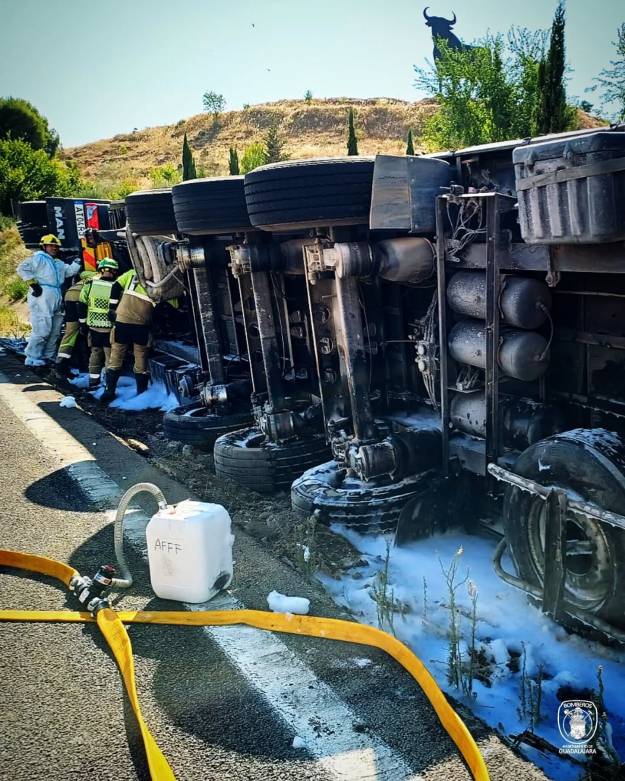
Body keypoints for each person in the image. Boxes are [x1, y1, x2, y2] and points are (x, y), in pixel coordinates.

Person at [16, 235, 81, 366]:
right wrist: (33, 284)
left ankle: (48, 356)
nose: (54, 248)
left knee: (55, 329)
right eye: (51, 246)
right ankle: (32, 357)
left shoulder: (58, 263)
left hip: (56, 295)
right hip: (42, 296)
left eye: (56, 246)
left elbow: (69, 271)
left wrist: (78, 261)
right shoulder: (38, 258)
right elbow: (22, 268)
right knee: (42, 328)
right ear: (44, 246)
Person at [101, 268, 155, 403]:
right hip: (141, 324)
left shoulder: (132, 272)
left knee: (116, 356)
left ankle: (109, 391)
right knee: (140, 357)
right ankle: (142, 393)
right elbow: (173, 303)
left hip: (122, 321)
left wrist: (112, 308)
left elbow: (116, 286)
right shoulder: (160, 277)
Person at [77, 258, 119, 389]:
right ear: (114, 271)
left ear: (100, 270)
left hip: (93, 328)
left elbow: (82, 305)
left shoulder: (90, 284)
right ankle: (108, 384)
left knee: (95, 354)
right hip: (110, 329)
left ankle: (93, 382)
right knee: (109, 357)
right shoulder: (117, 287)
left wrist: (83, 324)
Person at [54, 269, 97, 377]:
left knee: (70, 332)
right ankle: (86, 365)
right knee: (88, 331)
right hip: (82, 297)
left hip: (69, 295)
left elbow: (80, 274)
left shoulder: (89, 275)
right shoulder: (104, 279)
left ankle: (60, 365)